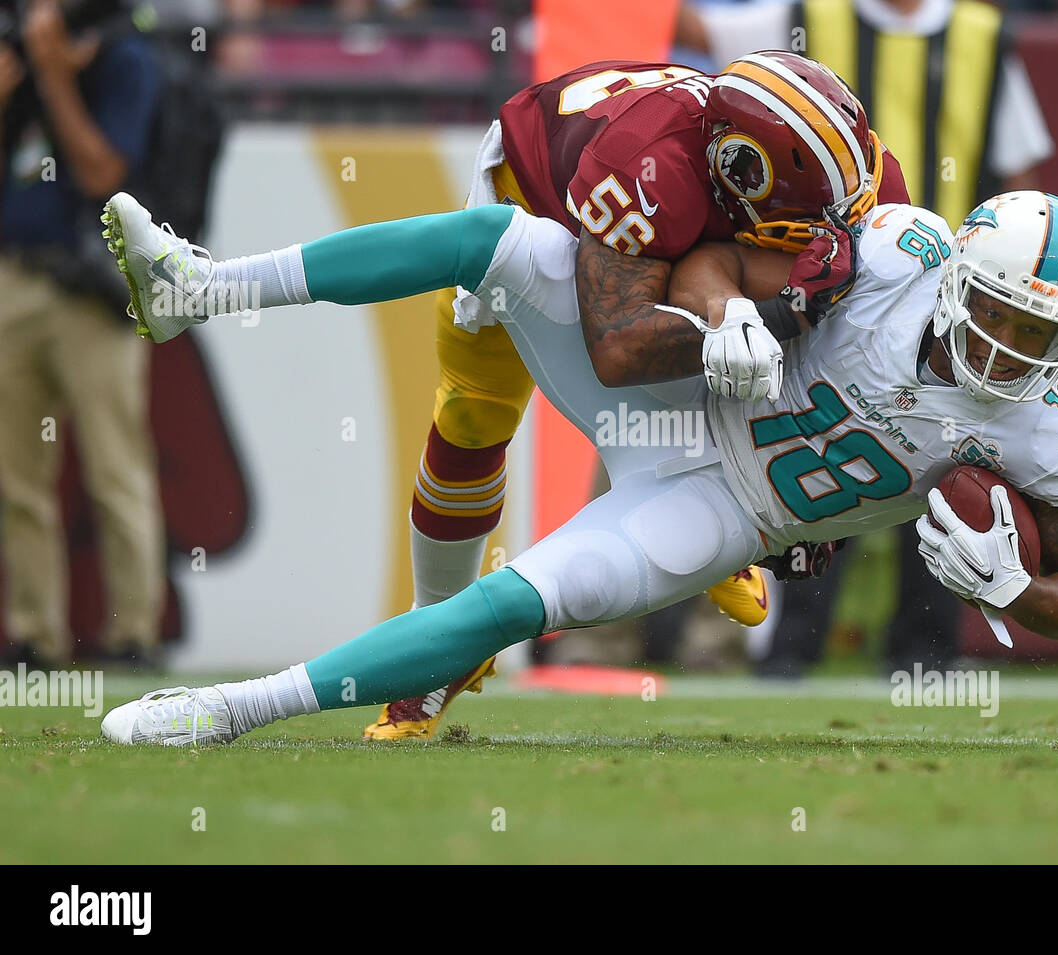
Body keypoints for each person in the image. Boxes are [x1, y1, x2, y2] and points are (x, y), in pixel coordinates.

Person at [96, 186, 1058, 746]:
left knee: (516, 602)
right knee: (500, 240)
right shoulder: (895, 256)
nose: (1015, 344)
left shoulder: (1047, 425)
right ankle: (204, 286)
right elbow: (720, 264)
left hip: (723, 510)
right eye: (1002, 311)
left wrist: (1022, 591)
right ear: (957, 282)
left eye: (1043, 329)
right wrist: (726, 322)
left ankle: (230, 711)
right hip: (677, 394)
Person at [212, 50, 912, 737]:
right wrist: (769, 318)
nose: (829, 235)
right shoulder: (649, 160)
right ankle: (436, 638)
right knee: (474, 410)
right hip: (546, 213)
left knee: (735, 364)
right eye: (803, 227)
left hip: (667, 253)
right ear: (740, 174)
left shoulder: (859, 176)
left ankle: (712, 516)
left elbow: (841, 322)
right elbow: (619, 344)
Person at [686, 0, 1056, 674]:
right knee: (826, 459)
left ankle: (925, 657)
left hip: (955, 318)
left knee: (941, 478)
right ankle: (792, 654)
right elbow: (694, 33)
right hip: (836, 300)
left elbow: (1020, 185)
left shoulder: (983, 34)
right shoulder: (803, 16)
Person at [0, 0, 165, 671]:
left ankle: (134, 633)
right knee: (18, 478)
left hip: (92, 293)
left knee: (115, 467)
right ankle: (35, 635)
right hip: (13, 281)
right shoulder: (16, 59)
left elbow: (103, 173)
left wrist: (55, 75)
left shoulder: (123, 58)